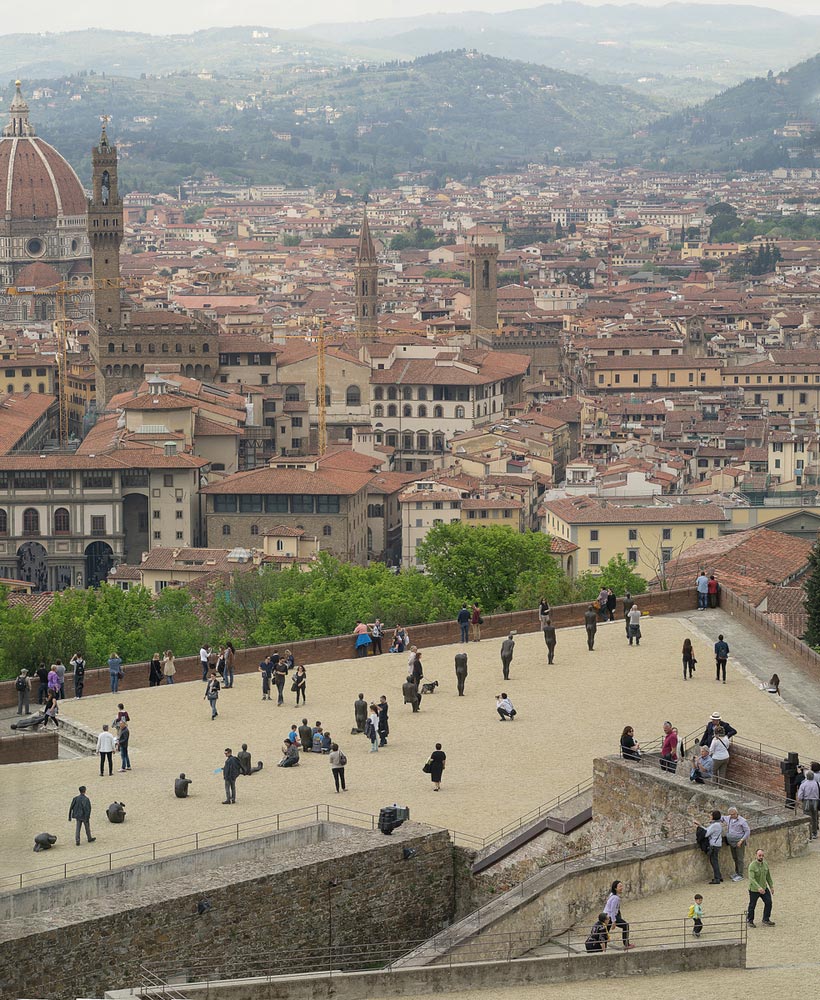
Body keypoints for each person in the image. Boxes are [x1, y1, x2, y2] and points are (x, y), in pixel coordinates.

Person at [747, 849, 775, 927]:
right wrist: (758, 888)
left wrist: (771, 886)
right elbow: (752, 878)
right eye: (759, 855)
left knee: (769, 902)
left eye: (762, 855)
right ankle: (750, 920)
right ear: (756, 855)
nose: (761, 857)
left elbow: (768, 876)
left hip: (764, 888)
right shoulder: (752, 865)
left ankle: (766, 919)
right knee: (752, 905)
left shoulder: (765, 864)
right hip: (754, 890)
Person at [722, 807, 751, 880]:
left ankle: (740, 874)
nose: (732, 816)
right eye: (731, 814)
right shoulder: (728, 818)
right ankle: (737, 872)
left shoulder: (742, 821)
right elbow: (721, 818)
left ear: (736, 813)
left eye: (733, 814)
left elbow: (747, 831)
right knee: (735, 857)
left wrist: (741, 840)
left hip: (739, 841)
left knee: (740, 858)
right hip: (731, 841)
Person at [604, 880, 634, 949]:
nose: (622, 887)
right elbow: (612, 910)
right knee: (625, 925)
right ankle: (626, 944)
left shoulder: (612, 894)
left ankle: (602, 944)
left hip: (606, 915)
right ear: (615, 888)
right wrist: (614, 921)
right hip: (610, 916)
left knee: (606, 930)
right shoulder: (616, 898)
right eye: (620, 886)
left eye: (621, 886)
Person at [698, 809, 724, 883]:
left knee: (714, 861)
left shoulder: (715, 825)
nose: (710, 816)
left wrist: (700, 827)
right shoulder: (717, 824)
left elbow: (706, 833)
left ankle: (717, 878)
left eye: (711, 815)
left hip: (714, 845)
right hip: (717, 844)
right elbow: (708, 830)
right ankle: (719, 876)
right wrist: (700, 825)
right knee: (715, 861)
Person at [796, 768, 820, 840]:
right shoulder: (817, 783)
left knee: (807, 817)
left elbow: (800, 795)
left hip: (807, 801)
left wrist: (801, 799)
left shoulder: (803, 784)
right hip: (815, 801)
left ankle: (808, 834)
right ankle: (814, 833)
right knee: (814, 817)